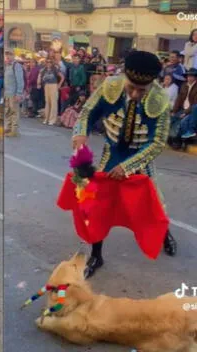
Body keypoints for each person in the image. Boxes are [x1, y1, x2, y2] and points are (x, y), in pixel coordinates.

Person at [72, 50, 176, 278]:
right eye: (132, 88)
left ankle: (164, 232)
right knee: (98, 206)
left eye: (142, 90)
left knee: (155, 203)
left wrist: (128, 166)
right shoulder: (111, 85)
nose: (136, 93)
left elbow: (158, 142)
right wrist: (80, 133)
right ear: (125, 79)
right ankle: (97, 255)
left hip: (140, 156)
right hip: (111, 155)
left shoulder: (160, 98)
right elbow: (88, 112)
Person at [169, 68, 197, 144]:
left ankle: (178, 141)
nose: (189, 78)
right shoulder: (184, 85)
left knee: (182, 122)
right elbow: (179, 99)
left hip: (191, 111)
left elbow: (195, 104)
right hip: (182, 108)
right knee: (171, 119)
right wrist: (174, 111)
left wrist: (185, 112)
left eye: (192, 76)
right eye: (188, 76)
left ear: (195, 77)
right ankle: (171, 138)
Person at [38, 58, 64, 125]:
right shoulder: (44, 70)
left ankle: (52, 120)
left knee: (53, 103)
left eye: (50, 62)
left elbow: (62, 77)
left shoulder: (55, 69)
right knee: (47, 102)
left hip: (53, 85)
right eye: (47, 62)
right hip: (46, 86)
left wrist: (59, 84)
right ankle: (47, 118)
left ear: (52, 63)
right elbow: (40, 76)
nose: (48, 63)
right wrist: (39, 83)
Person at [4, 50, 24, 137]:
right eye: (6, 54)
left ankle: (14, 130)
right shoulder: (7, 66)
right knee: (8, 111)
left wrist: (19, 93)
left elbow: (20, 80)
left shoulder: (16, 65)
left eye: (10, 54)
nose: (8, 56)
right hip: (7, 93)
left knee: (14, 112)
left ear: (13, 56)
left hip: (13, 93)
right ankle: (8, 128)